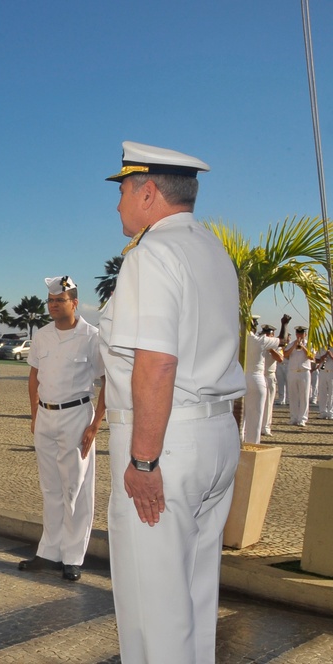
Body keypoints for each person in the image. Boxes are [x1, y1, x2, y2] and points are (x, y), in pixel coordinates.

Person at [100, 141, 246, 663]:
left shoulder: (153, 253)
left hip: (166, 444)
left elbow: (157, 363)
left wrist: (144, 461)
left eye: (122, 191)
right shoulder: (212, 250)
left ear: (148, 192)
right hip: (213, 435)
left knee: (154, 607)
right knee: (194, 594)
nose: (117, 203)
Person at [19, 275, 106, 582]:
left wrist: (95, 425)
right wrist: (34, 414)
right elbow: (34, 376)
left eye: (60, 300)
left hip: (76, 416)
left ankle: (73, 557)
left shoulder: (91, 336)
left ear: (75, 303)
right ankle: (49, 552)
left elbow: (107, 381)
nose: (53, 305)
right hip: (46, 415)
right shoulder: (42, 335)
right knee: (51, 487)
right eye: (51, 301)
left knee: (76, 488)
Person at [242, 316, 282, 444]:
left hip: (239, 377)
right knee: (255, 416)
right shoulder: (259, 340)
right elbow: (283, 340)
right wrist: (284, 324)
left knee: (240, 415)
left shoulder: (237, 338)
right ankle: (252, 444)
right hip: (256, 378)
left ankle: (238, 441)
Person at [261, 321, 286, 436]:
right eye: (265, 333)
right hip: (259, 375)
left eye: (269, 334)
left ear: (273, 335)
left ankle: (265, 427)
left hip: (269, 375)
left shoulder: (276, 345)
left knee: (268, 403)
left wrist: (271, 349)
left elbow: (280, 359)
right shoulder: (259, 343)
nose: (267, 336)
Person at [285, 326, 313, 427]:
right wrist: (294, 345)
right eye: (298, 333)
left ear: (305, 334)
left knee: (304, 396)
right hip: (292, 372)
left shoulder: (310, 344)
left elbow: (311, 356)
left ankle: (303, 419)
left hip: (304, 372)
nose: (300, 335)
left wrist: (303, 347)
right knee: (293, 396)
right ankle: (294, 418)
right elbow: (285, 355)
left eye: (302, 333)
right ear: (296, 334)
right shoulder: (291, 344)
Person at [315, 344, 333, 419]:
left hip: (332, 372)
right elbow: (316, 360)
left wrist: (330, 355)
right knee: (322, 393)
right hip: (323, 372)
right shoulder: (322, 348)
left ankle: (331, 412)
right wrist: (323, 357)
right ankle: (322, 412)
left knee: (331, 393)